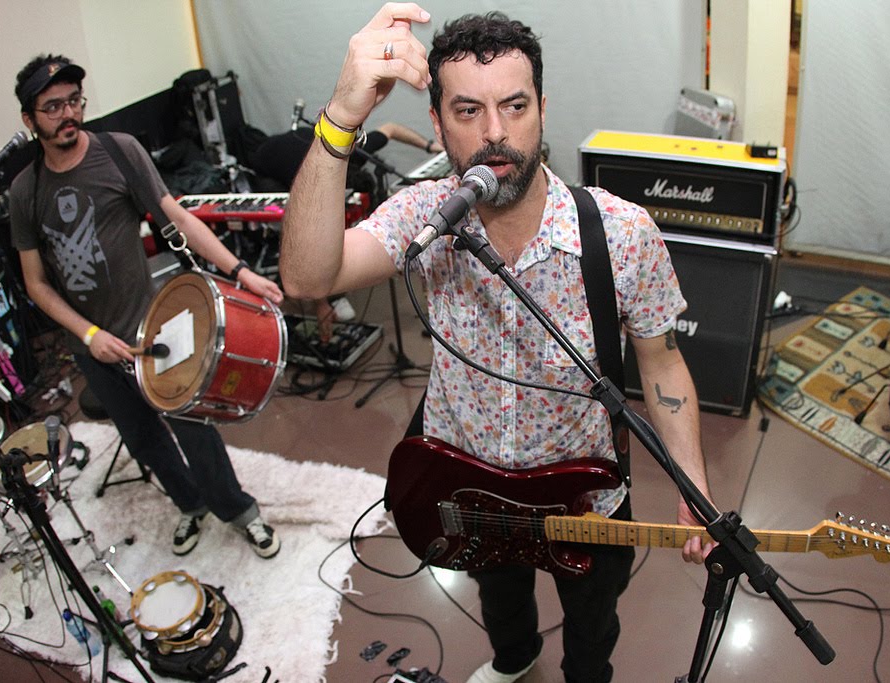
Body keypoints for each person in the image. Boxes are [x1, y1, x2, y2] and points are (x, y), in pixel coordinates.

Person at [280, 7, 714, 682]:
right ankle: (516, 659)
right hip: (469, 485)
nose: (495, 133)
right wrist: (340, 117)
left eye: (515, 106)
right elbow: (307, 278)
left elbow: (662, 362)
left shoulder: (622, 233)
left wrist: (693, 484)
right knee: (501, 601)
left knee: (593, 622)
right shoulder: (424, 217)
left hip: (586, 496)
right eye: (468, 111)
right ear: (436, 123)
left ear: (543, 108)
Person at [8, 54, 283, 559]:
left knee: (194, 430)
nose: (69, 114)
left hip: (153, 330)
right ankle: (190, 505)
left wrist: (240, 271)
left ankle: (239, 511)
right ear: (29, 119)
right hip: (93, 347)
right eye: (53, 107)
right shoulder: (25, 190)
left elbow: (180, 219)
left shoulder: (118, 152)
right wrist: (90, 336)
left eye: (74, 101)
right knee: (143, 440)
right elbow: (36, 284)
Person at [250, 120, 442, 341]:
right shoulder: (312, 183)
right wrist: (321, 304)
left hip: (300, 148)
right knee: (300, 227)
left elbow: (391, 128)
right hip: (264, 165)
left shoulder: (354, 152)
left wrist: (431, 146)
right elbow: (312, 246)